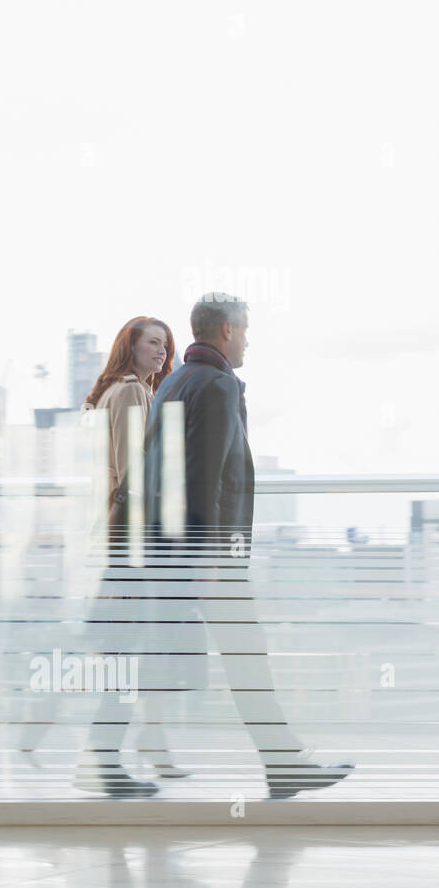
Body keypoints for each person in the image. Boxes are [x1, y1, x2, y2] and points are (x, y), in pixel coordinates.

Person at [136, 293, 352, 799]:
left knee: (177, 650)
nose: (249, 340)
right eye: (247, 330)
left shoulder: (173, 382)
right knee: (244, 656)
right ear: (227, 330)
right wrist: (211, 559)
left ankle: (128, 744)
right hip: (206, 557)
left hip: (170, 551)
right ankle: (282, 766)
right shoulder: (216, 385)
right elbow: (205, 474)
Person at [71, 317, 193, 797]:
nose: (162, 353)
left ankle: (111, 758)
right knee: (127, 654)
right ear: (131, 346)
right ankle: (103, 763)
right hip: (130, 547)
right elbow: (132, 475)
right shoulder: (128, 392)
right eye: (152, 343)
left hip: (121, 544)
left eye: (166, 346)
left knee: (128, 653)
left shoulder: (128, 391)